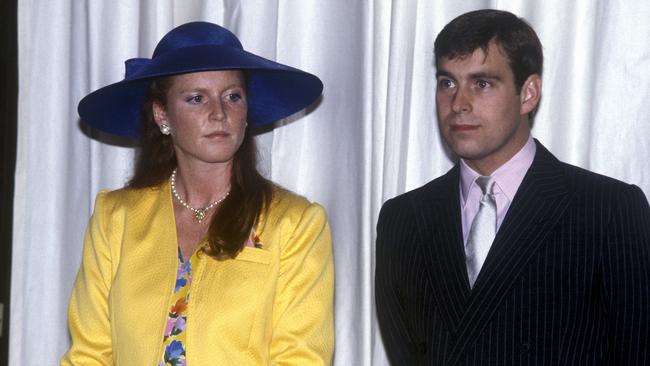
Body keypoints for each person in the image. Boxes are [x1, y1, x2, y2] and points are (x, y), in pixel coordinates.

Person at [375, 9, 650, 365]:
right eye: (447, 83)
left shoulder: (609, 211)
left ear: (528, 93)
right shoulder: (403, 219)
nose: (458, 103)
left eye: (482, 83)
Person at [61, 22, 334, 365]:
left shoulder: (295, 224)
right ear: (162, 115)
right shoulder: (115, 218)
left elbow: (301, 358)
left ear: (246, 111)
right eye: (196, 98)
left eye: (232, 96)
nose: (219, 113)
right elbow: (89, 355)